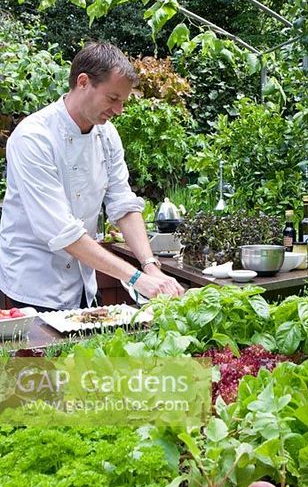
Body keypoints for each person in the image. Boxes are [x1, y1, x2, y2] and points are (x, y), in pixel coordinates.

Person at [0, 42, 184, 311]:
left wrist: (150, 265)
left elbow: (122, 204)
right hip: (35, 285)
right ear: (83, 82)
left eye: (123, 101)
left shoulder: (106, 134)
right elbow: (61, 231)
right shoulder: (34, 138)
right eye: (113, 99)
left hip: (84, 280)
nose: (119, 110)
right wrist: (136, 278)